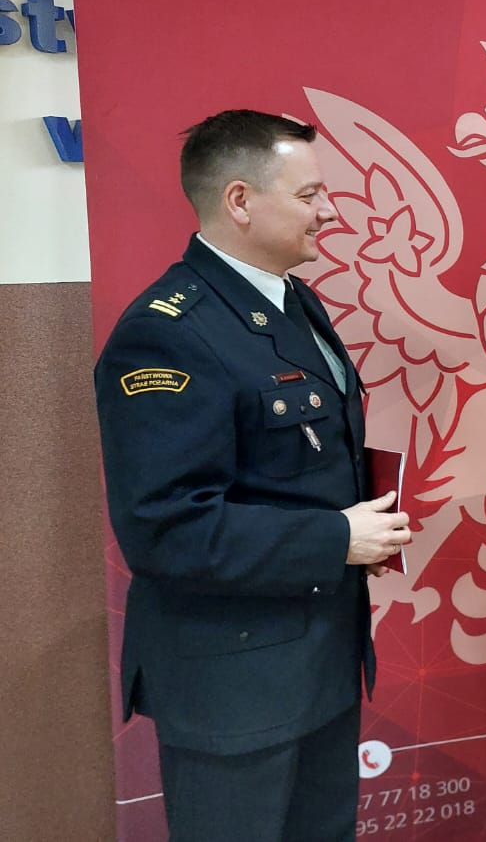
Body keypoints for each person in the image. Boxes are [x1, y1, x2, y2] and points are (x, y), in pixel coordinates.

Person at [93, 109, 411, 842]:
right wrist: (336, 538)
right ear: (239, 201)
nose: (328, 212)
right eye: (309, 195)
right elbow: (166, 528)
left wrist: (360, 530)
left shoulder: (292, 299)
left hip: (318, 661)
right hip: (234, 686)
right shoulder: (168, 332)